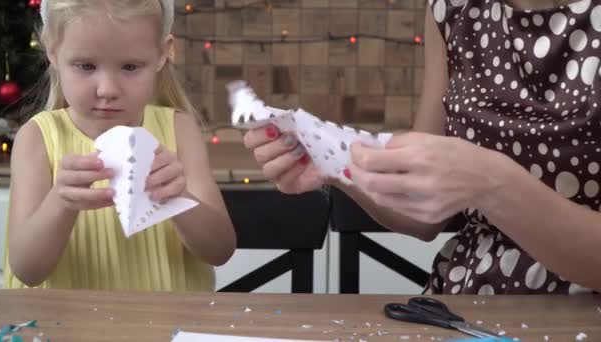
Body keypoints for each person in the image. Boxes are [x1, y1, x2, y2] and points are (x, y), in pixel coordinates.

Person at [244, 0, 601, 294]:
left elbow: (484, 180)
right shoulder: (454, 9)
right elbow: (421, 214)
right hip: (471, 303)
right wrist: (333, 162)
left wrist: (492, 183)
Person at [3, 0, 236, 291]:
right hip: (66, 329)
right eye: (86, 66)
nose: (108, 90)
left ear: (164, 53)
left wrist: (177, 197)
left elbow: (220, 251)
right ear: (52, 50)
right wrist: (60, 203)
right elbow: (27, 270)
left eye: (130, 67)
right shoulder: (37, 138)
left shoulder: (178, 130)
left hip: (168, 328)